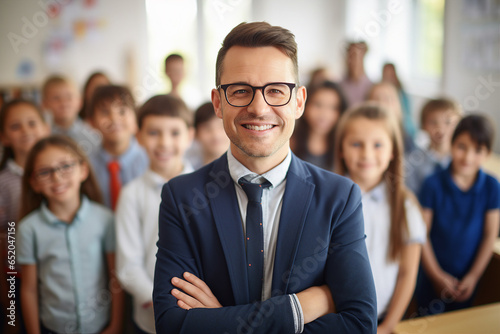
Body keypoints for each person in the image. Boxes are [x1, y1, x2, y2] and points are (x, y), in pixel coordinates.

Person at [153, 21, 377, 333]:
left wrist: (220, 319)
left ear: (298, 102)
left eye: (275, 90)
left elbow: (359, 325)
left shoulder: (340, 198)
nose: (259, 108)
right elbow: (173, 325)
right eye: (241, 91)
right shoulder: (181, 197)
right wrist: (298, 308)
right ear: (218, 102)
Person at [16, 135, 124, 334]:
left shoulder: (105, 219)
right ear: (34, 183)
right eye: (45, 172)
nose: (57, 177)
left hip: (100, 326)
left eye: (65, 166)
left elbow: (115, 277)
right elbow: (28, 290)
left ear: (83, 170)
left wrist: (116, 325)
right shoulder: (28, 229)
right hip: (53, 327)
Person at [334, 103, 425, 334]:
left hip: (382, 320)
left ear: (392, 150)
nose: (366, 154)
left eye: (378, 145)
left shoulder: (405, 205)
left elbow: (408, 273)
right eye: (356, 144)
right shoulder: (327, 200)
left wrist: (388, 326)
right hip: (335, 319)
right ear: (341, 149)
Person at [116, 95, 194, 334]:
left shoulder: (208, 188)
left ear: (190, 136)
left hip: (199, 315)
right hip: (150, 320)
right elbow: (128, 266)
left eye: (174, 133)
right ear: (138, 136)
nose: (164, 142)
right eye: (153, 133)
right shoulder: (131, 195)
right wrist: (161, 302)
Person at [416, 114, 500, 315]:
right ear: (452, 145)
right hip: (431, 275)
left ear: (487, 153)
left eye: (478, 150)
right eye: (462, 147)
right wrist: (437, 276)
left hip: (466, 279)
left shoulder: (492, 186)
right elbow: (422, 234)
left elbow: (490, 234)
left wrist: (473, 276)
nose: (468, 157)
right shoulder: (432, 184)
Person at [0, 99, 49, 334]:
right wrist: (10, 311)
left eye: (32, 123)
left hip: (55, 267)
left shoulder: (56, 172)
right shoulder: (4, 182)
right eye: (15, 126)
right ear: (4, 137)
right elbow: (6, 237)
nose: (26, 131)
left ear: (45, 128)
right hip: (19, 270)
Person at [87, 85, 148, 209]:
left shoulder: (149, 160)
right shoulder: (87, 164)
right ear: (92, 122)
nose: (114, 119)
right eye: (105, 112)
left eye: (122, 111)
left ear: (135, 118)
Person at [405, 98, 462, 194]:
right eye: (433, 122)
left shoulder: (463, 160)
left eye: (448, 122)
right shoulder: (413, 162)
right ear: (423, 126)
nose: (440, 128)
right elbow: (410, 194)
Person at [291, 80, 347, 170]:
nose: (324, 114)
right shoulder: (290, 142)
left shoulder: (344, 146)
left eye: (333, 107)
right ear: (304, 104)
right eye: (318, 105)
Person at [42, 75, 101, 155]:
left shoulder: (93, 135)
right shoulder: (43, 135)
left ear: (80, 102)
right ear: (44, 104)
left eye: (69, 97)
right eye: (56, 98)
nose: (63, 103)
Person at [367, 82, 416, 154]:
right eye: (377, 99)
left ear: (398, 105)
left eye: (388, 99)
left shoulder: (407, 140)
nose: (383, 103)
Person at [382, 63, 416, 139]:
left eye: (390, 74)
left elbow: (407, 113)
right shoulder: (379, 89)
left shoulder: (402, 94)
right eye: (385, 74)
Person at [192, 101, 230, 169]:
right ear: (195, 134)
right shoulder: (189, 169)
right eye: (207, 128)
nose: (215, 135)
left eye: (221, 126)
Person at [339, 41, 372, 107]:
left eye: (357, 55)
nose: (354, 60)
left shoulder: (372, 86)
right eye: (350, 55)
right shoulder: (339, 86)